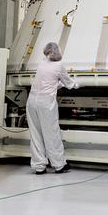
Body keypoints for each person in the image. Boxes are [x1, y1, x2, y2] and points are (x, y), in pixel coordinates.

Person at [28, 41, 76, 174]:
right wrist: (78, 84)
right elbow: (69, 83)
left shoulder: (42, 62)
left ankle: (39, 166)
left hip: (32, 101)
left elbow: (48, 80)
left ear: (46, 51)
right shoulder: (59, 65)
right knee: (51, 133)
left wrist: (57, 84)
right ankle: (59, 165)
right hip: (46, 103)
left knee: (35, 134)